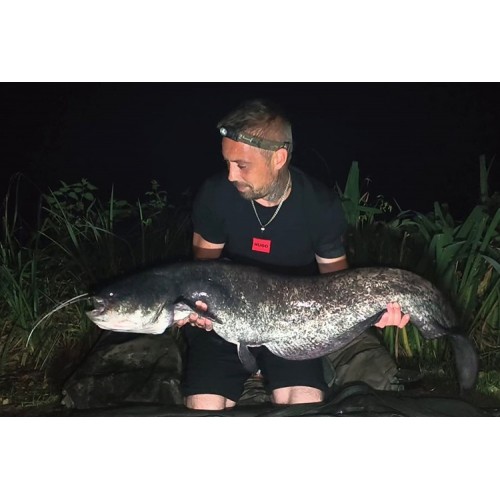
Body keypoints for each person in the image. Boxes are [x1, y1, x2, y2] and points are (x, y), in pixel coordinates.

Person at [176, 98, 410, 410]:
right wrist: (198, 309)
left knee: (304, 403)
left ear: (278, 158)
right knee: (203, 407)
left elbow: (340, 286)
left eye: (242, 165)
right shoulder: (215, 195)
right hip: (226, 322)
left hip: (292, 327)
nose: (231, 175)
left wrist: (374, 311)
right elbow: (201, 271)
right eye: (227, 163)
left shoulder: (320, 206)